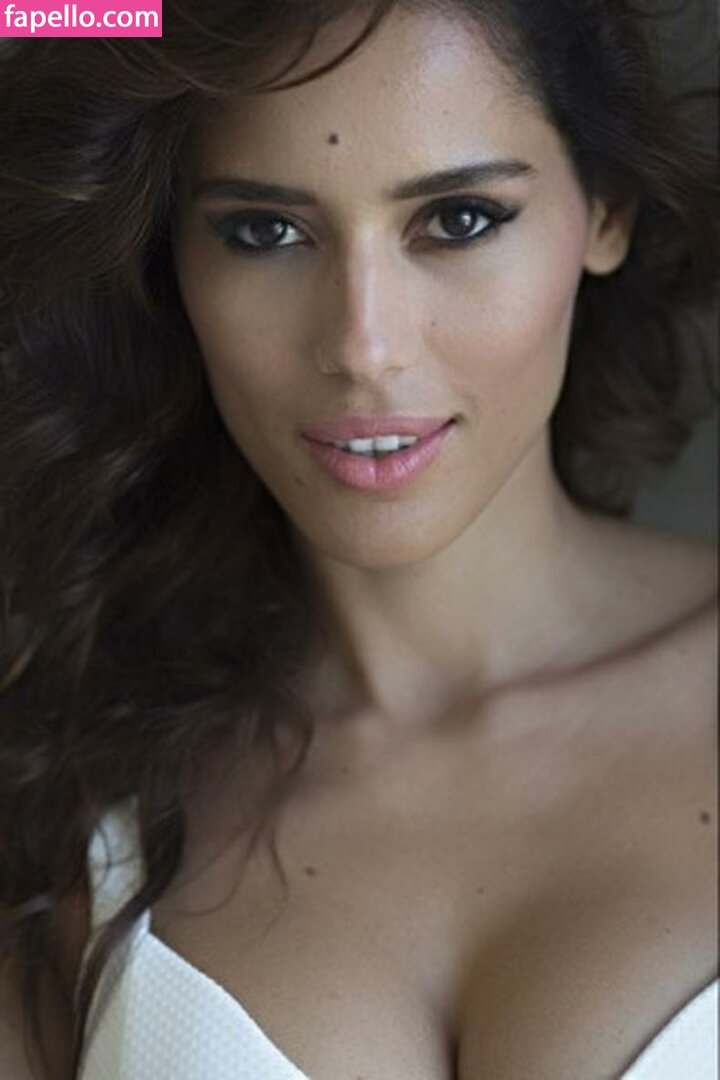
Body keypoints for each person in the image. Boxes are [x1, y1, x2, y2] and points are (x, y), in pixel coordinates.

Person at [1, 1, 718, 1078]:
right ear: (173, 257)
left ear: (605, 209)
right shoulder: (59, 807)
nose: (362, 346)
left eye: (460, 219)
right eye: (264, 231)